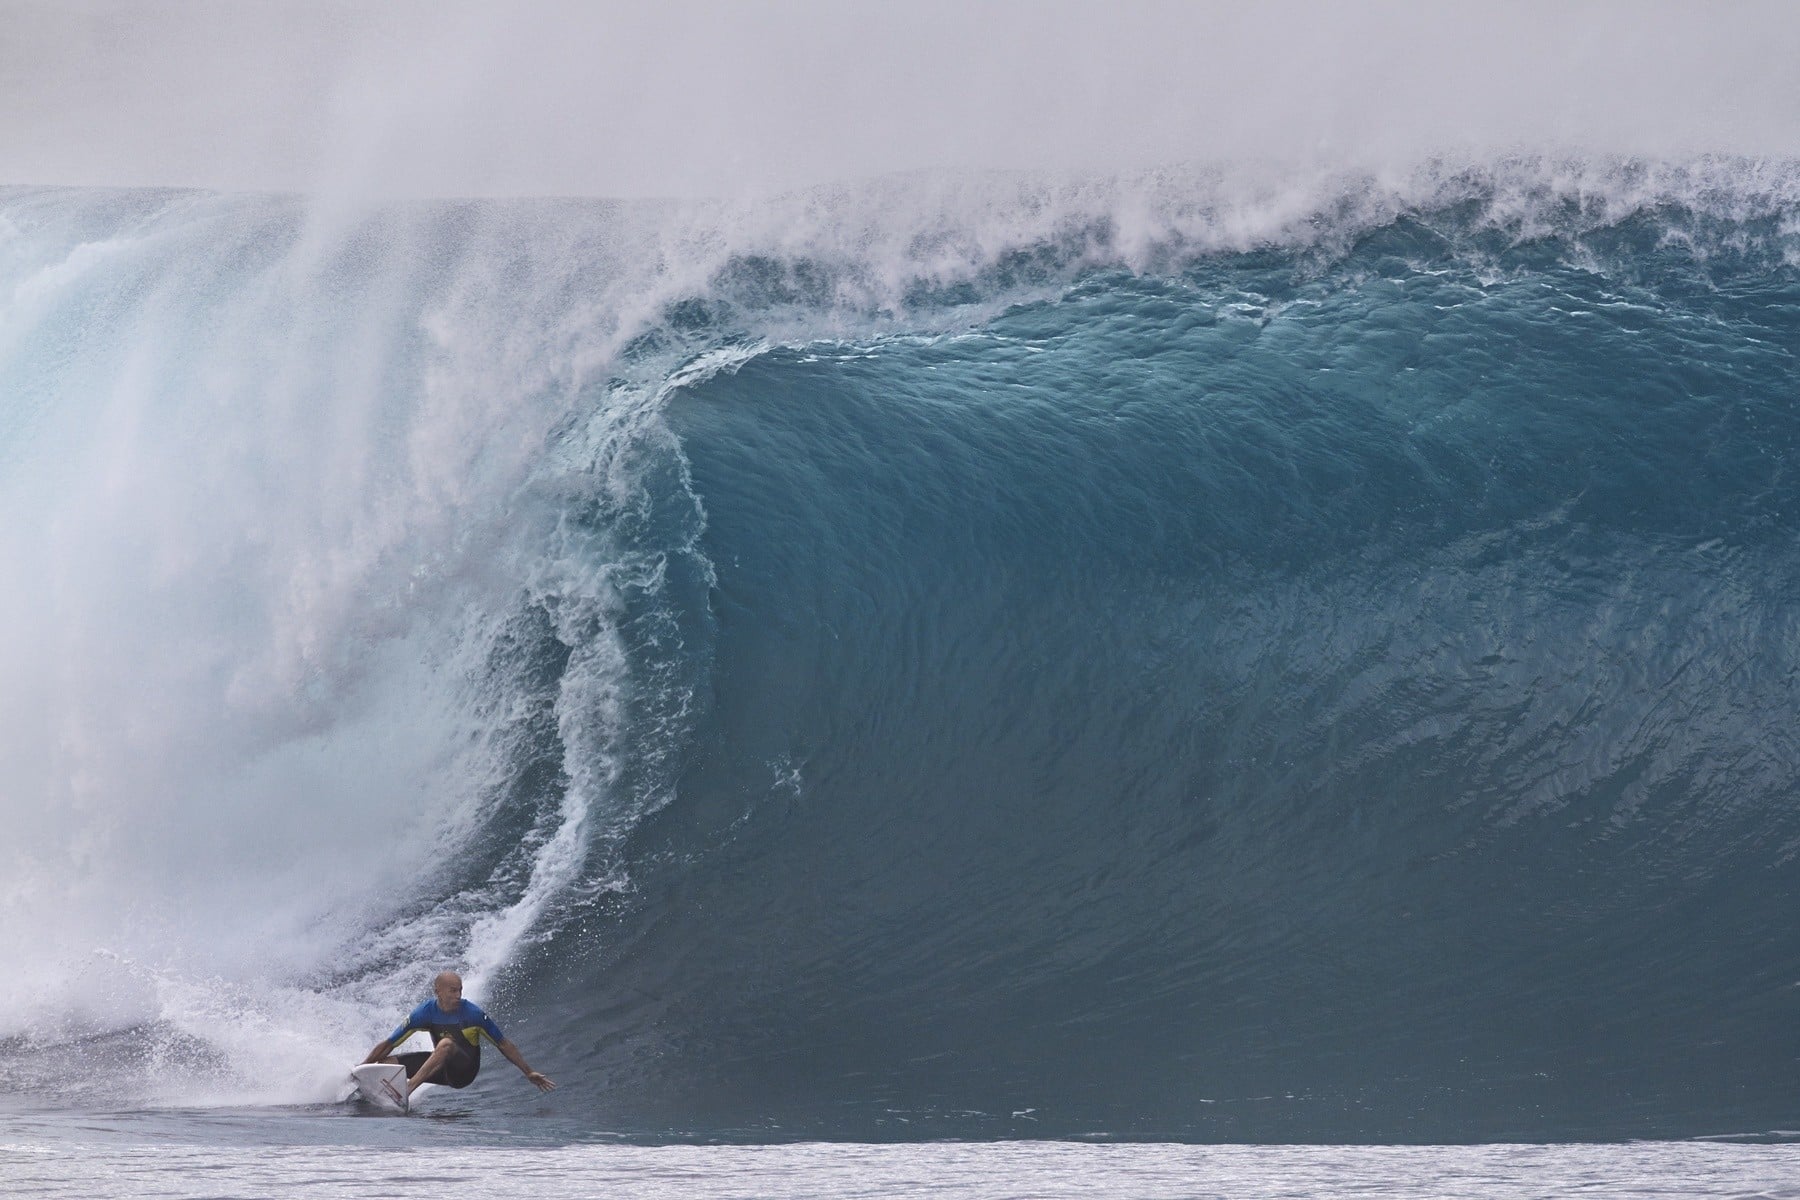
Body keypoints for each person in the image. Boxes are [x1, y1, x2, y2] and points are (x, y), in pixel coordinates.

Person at [363, 970, 556, 1096]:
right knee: (385, 1064)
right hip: (440, 1070)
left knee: (446, 1044)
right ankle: (376, 1096)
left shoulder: (473, 1015)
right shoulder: (424, 1013)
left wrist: (528, 1072)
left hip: (464, 1072)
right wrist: (361, 1068)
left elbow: (503, 1044)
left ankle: (408, 1089)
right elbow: (390, 1043)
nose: (458, 995)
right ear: (437, 991)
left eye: (460, 990)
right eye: (452, 991)